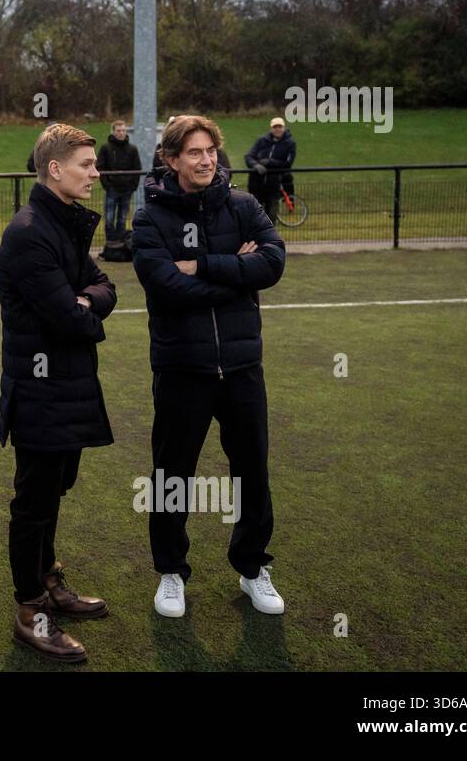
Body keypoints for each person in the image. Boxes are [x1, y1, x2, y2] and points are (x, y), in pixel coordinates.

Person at [131, 114, 287, 620]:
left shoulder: (242, 205)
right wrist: (237, 274)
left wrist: (202, 264)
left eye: (210, 151)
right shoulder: (149, 216)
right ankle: (171, 573)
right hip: (182, 369)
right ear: (171, 159)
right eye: (193, 153)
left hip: (242, 367)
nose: (205, 160)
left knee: (252, 472)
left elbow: (273, 263)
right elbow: (164, 287)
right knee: (172, 476)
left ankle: (252, 567)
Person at [0, 122, 117, 664]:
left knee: (55, 492)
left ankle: (49, 581)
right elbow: (70, 319)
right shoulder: (28, 232)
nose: (97, 172)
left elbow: (104, 285)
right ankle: (31, 611)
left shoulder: (64, 225)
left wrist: (87, 302)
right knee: (34, 501)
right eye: (88, 165)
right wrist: (86, 308)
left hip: (68, 386)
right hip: (40, 387)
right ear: (55, 169)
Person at [95, 119, 142, 257]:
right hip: (112, 189)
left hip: (127, 190)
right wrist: (107, 185)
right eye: (118, 130)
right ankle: (110, 245)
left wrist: (133, 185)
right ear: (113, 131)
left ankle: (120, 247)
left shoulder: (132, 149)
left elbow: (137, 168)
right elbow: (100, 167)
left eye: (123, 130)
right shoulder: (106, 148)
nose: (121, 133)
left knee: (122, 218)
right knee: (109, 218)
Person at [244, 117, 296, 220]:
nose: (277, 129)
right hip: (256, 183)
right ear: (271, 129)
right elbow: (249, 156)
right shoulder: (261, 141)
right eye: (275, 127)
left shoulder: (290, 144)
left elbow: (287, 163)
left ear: (284, 128)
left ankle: (270, 235)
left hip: (273, 185)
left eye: (279, 127)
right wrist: (255, 165)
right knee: (254, 214)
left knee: (271, 215)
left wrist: (269, 162)